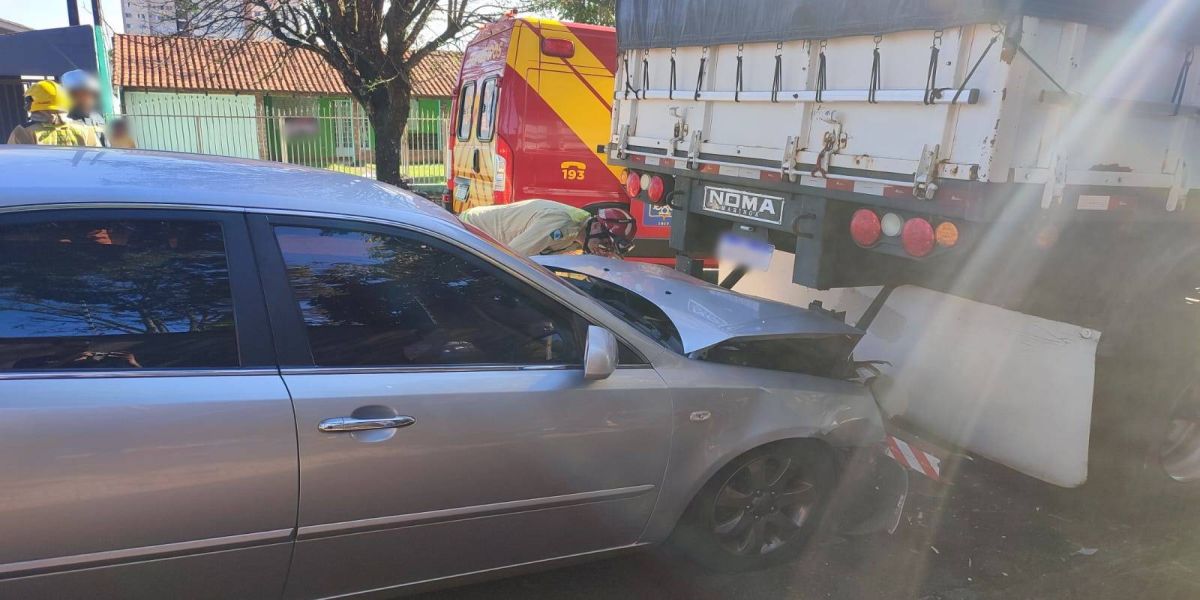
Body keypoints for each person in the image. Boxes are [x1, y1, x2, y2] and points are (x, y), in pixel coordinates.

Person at [459, 199, 638, 257]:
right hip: (471, 230)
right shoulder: (561, 224)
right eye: (606, 243)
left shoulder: (576, 236)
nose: (603, 251)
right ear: (597, 225)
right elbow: (513, 257)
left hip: (483, 238)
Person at [6, 80, 101, 147]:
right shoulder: (85, 130)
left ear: (33, 102)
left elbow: (13, 166)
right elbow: (98, 161)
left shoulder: (23, 132)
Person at [61, 69, 108, 147]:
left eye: (90, 94)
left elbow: (106, 147)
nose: (88, 100)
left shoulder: (96, 118)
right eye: (82, 94)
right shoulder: (61, 120)